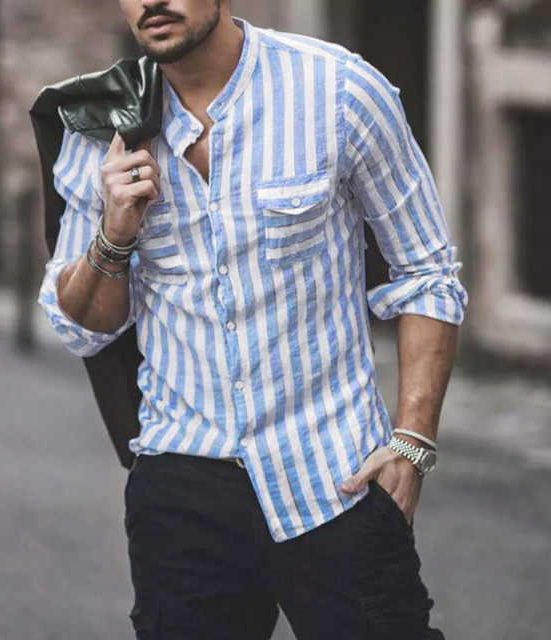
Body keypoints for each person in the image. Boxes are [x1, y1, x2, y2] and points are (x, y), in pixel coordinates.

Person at [38, 1, 468, 638]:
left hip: (334, 480)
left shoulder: (339, 89)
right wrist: (113, 234)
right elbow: (82, 327)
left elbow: (427, 272)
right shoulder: (102, 122)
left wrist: (412, 443)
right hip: (181, 493)